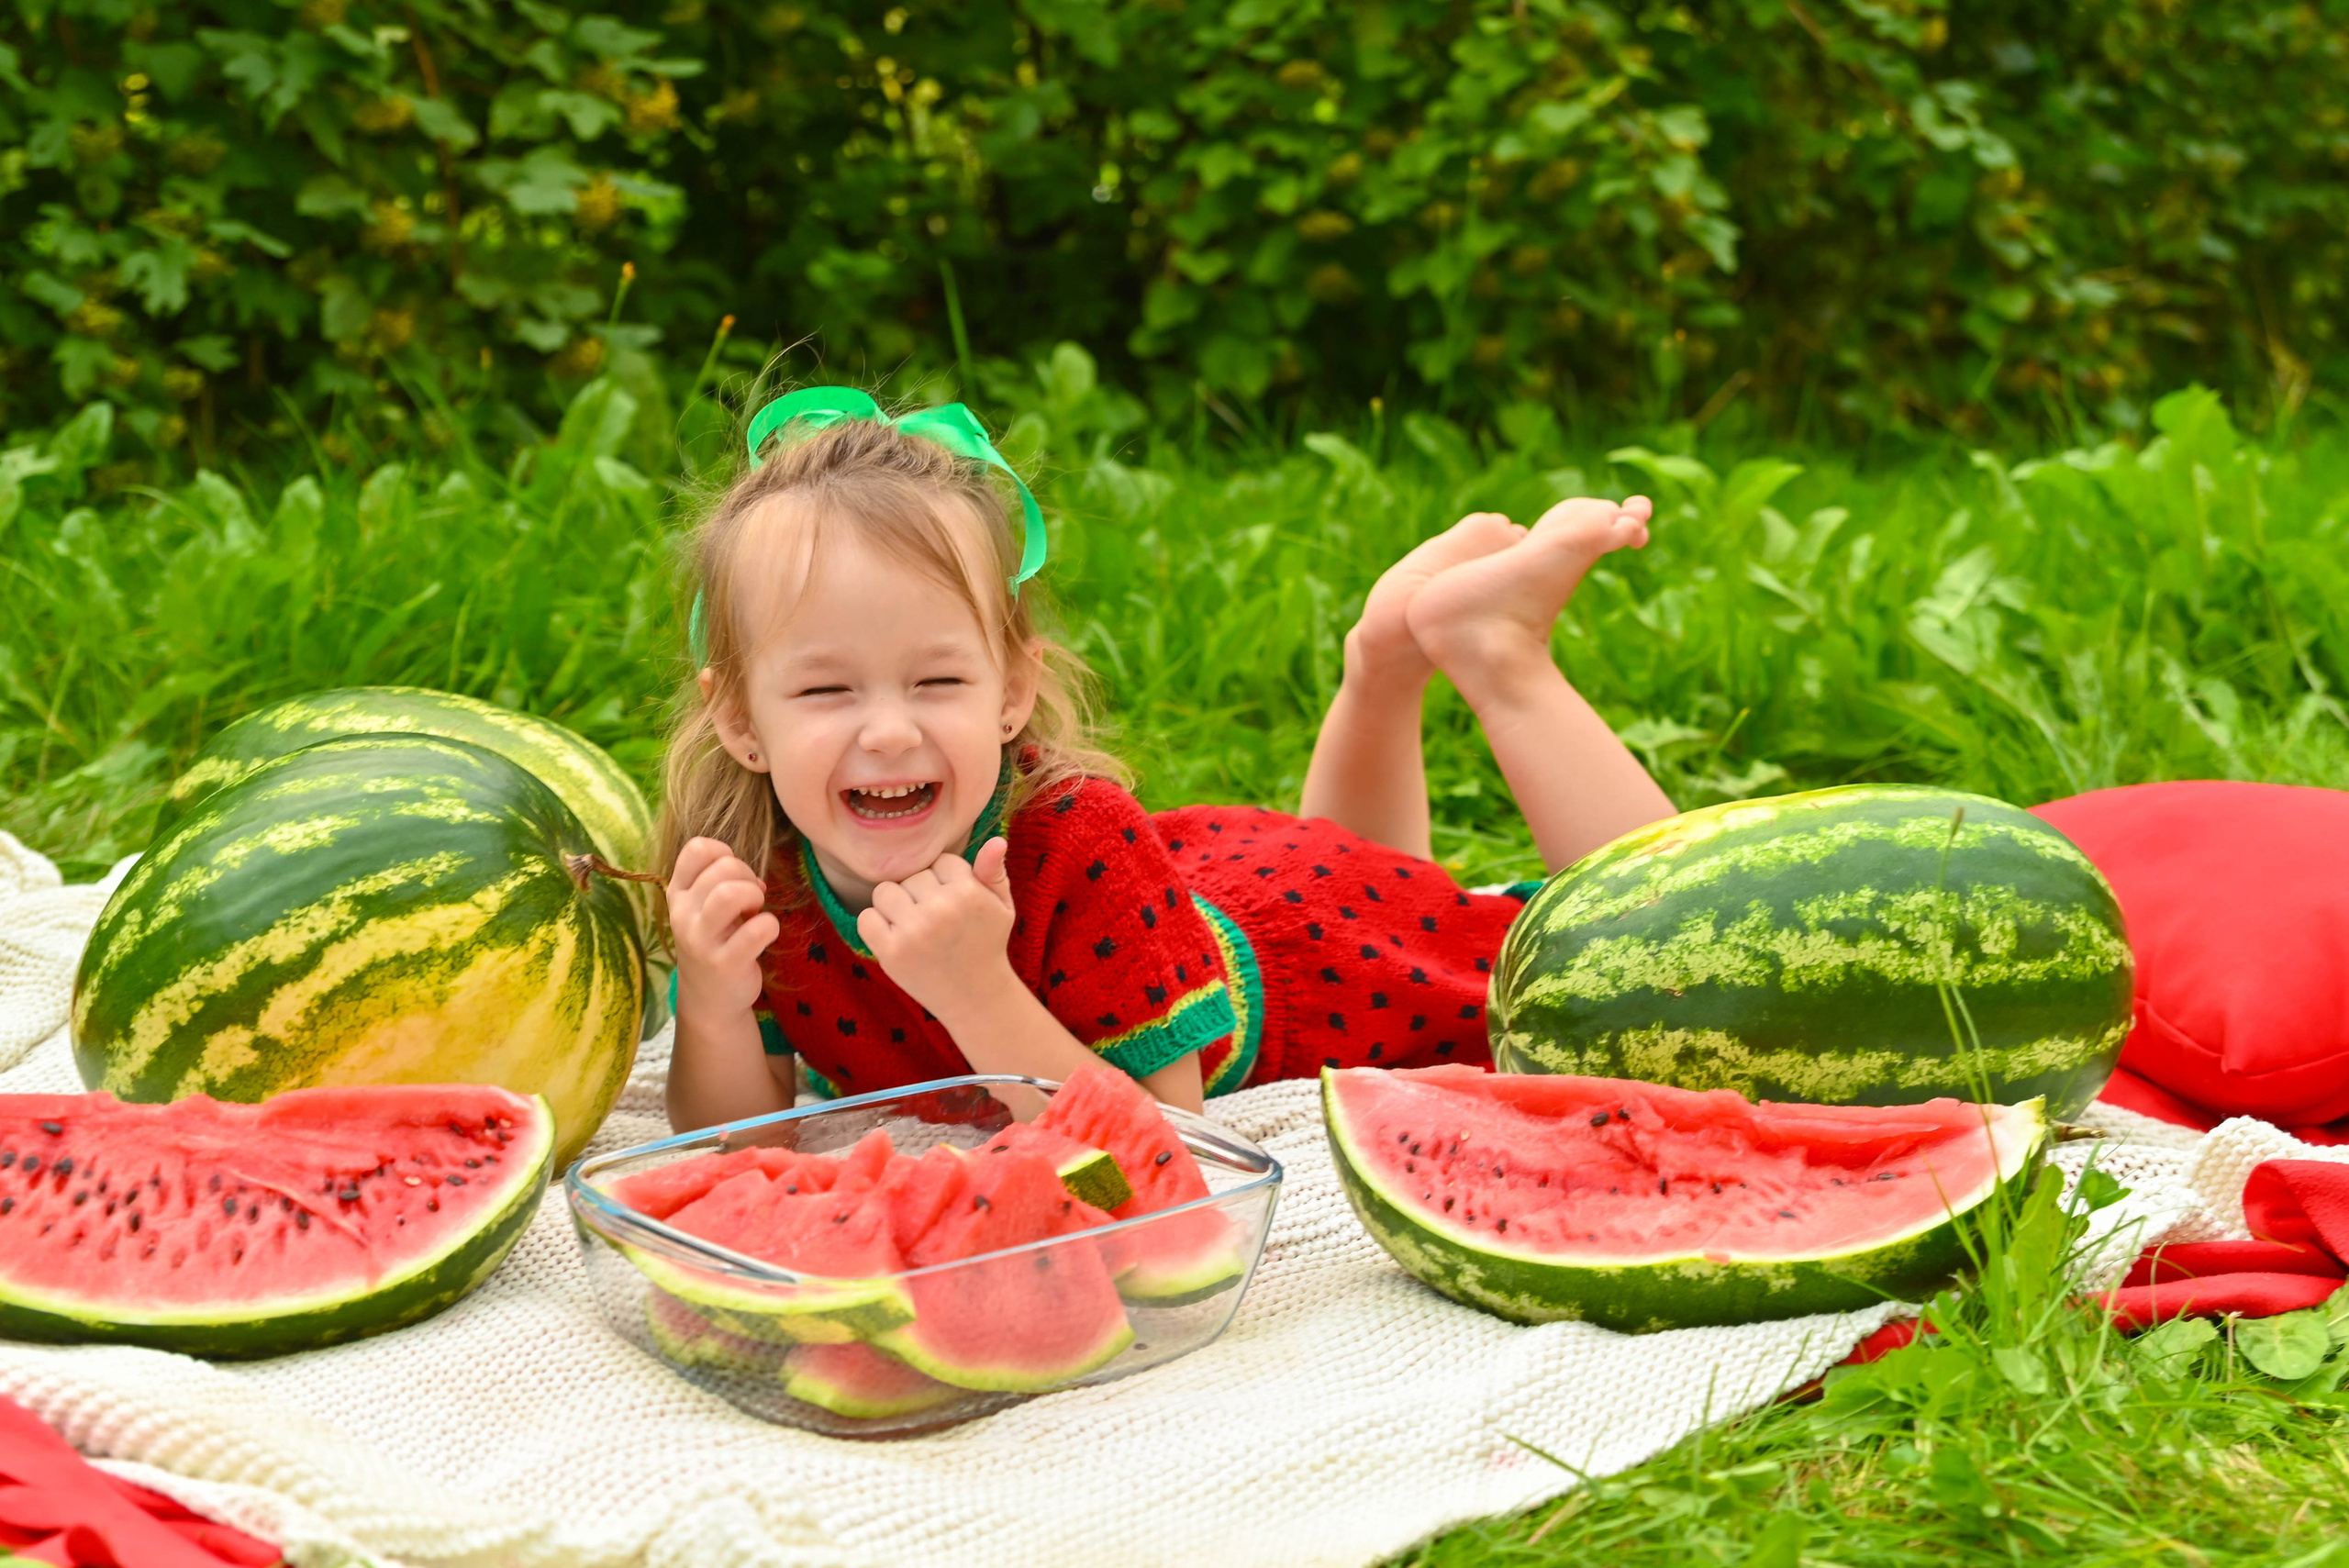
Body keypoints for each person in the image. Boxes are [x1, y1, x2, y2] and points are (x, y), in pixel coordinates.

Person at [657, 387, 1676, 1132]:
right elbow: (740, 1138)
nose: (887, 731)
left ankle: (1496, 653)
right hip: (1194, 894)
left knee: (1648, 960)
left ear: (1013, 690)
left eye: (936, 682)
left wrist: (975, 992)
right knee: (1367, 861)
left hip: (1313, 961)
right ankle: (1382, 661)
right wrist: (709, 1003)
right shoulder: (761, 872)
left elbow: (1166, 1143)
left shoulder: (1078, 836)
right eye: (827, 690)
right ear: (742, 719)